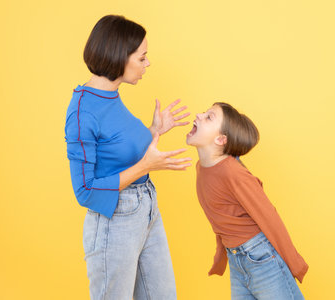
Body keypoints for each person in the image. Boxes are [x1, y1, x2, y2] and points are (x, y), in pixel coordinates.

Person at [64, 15, 191, 300]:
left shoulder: (111, 95)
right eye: (142, 58)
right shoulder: (83, 112)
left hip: (146, 209)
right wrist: (146, 165)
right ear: (120, 56)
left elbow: (117, 150)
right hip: (115, 222)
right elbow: (84, 191)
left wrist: (155, 130)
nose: (148, 64)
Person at [186, 102, 308, 300]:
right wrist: (221, 256)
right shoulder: (202, 168)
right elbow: (221, 218)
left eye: (209, 117)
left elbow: (269, 216)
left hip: (261, 258)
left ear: (220, 139)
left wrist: (295, 263)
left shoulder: (232, 172)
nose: (199, 115)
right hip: (237, 260)